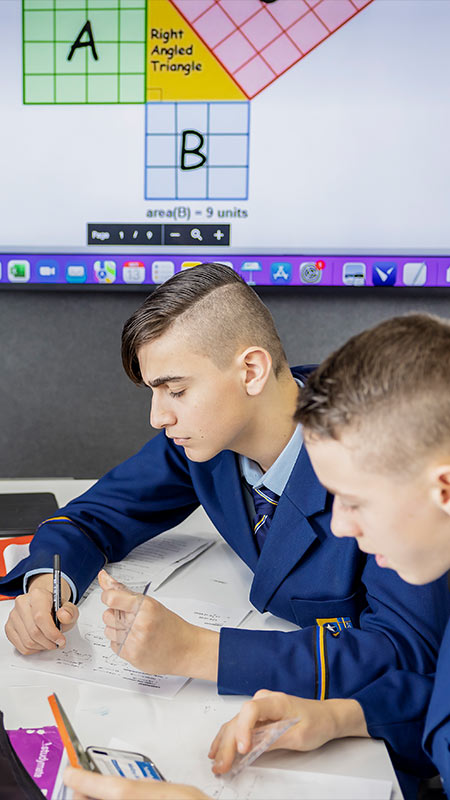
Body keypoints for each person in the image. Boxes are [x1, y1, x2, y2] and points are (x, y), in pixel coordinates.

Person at [0, 269, 447, 778]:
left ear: (251, 371)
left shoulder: (377, 450)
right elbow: (92, 514)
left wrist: (201, 651)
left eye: (176, 390)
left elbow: (408, 652)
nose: (157, 417)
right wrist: (48, 584)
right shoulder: (207, 442)